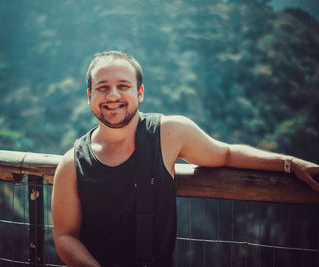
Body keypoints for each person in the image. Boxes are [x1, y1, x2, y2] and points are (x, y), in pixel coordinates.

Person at [51, 51, 319, 267]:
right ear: (89, 96)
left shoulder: (168, 134)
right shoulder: (72, 163)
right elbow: (65, 237)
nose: (113, 95)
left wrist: (288, 163)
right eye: (102, 87)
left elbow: (226, 153)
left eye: (123, 86)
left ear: (140, 92)